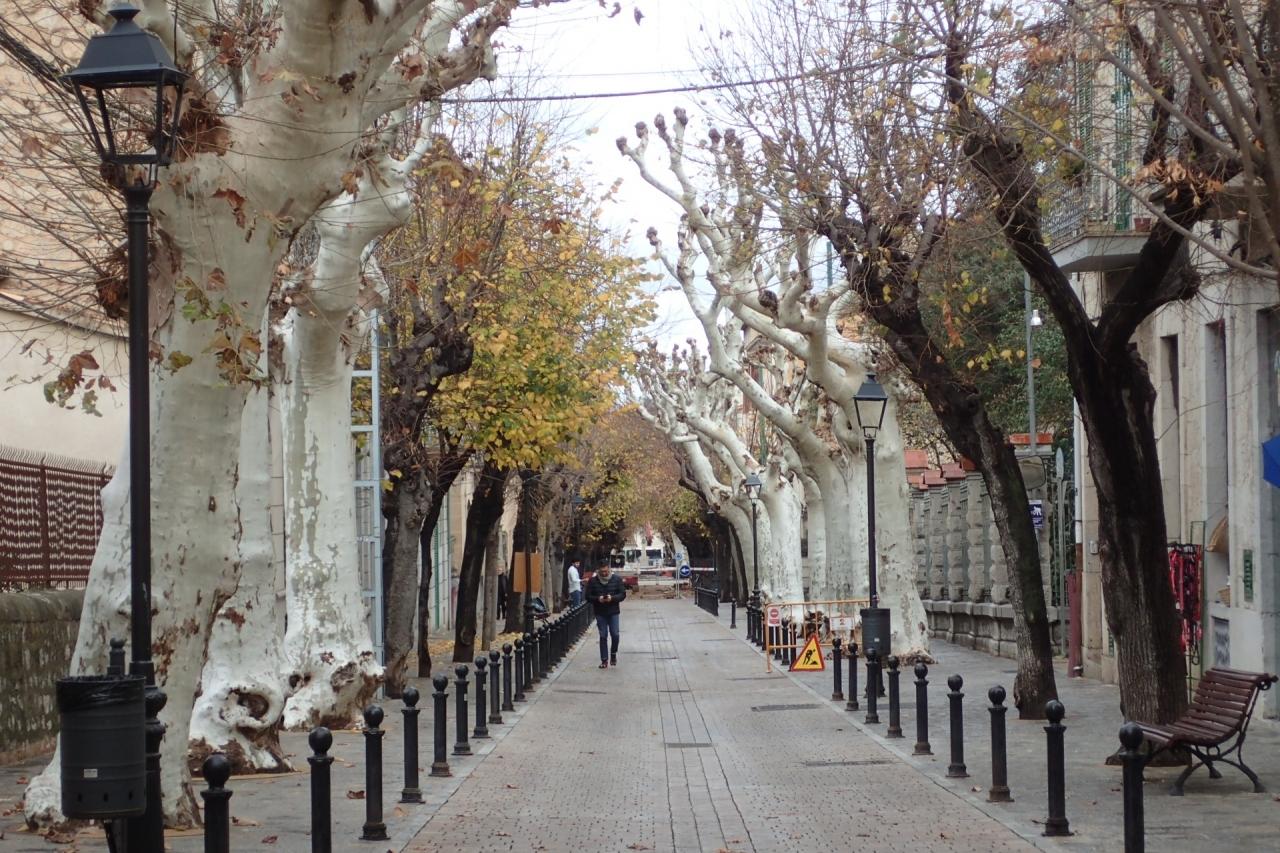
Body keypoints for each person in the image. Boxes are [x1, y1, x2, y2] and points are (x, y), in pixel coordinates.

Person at [586, 562, 626, 668]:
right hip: (600, 612)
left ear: (609, 569)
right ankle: (604, 660)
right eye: (602, 571)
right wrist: (598, 599)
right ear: (598, 570)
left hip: (613, 611)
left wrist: (612, 598)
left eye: (606, 571)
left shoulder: (616, 579)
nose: (604, 573)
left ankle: (613, 653)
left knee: (615, 634)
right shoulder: (593, 581)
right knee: (603, 635)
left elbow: (622, 594)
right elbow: (588, 596)